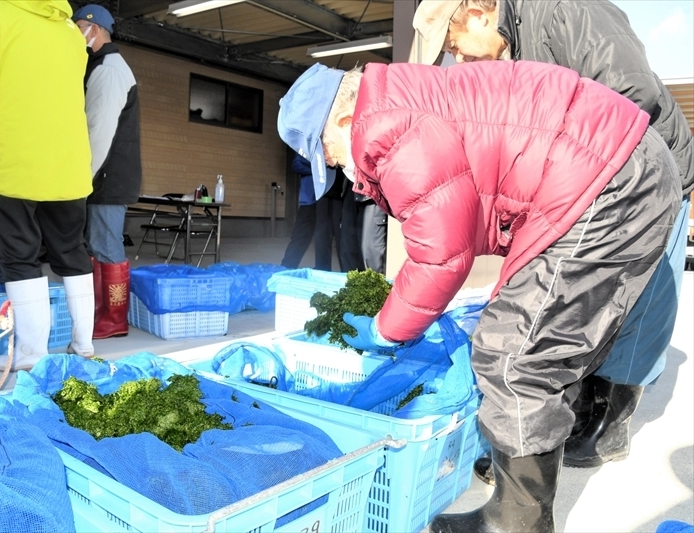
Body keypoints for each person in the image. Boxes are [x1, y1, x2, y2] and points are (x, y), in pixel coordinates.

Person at [277, 61, 680, 533]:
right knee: (537, 330)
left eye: (328, 153)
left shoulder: (388, 128)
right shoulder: (398, 100)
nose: (336, 167)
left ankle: (517, 522)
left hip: (606, 181)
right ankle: (521, 464)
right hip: (617, 164)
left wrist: (387, 330)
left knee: (513, 355)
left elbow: (442, 254)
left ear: (344, 121)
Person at [409, 0, 694, 477]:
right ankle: (566, 414)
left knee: (639, 299)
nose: (458, 60)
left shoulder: (566, 10)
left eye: (455, 46)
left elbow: (633, 90)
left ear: (479, 12)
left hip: (645, 174)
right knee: (575, 303)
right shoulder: (515, 42)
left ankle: (610, 420)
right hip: (584, 182)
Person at [0, 0, 95, 370]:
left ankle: (33, 354)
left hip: (16, 158)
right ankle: (83, 345)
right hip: (70, 163)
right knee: (71, 251)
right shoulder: (69, 30)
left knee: (18, 254)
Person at [71, 4, 142, 339]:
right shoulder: (98, 64)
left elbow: (98, 130)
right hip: (102, 174)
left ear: (93, 29)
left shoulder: (110, 68)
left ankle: (114, 318)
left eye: (77, 29)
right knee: (96, 245)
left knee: (106, 245)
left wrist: (82, 179)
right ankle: (100, 313)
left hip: (106, 175)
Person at [281, 154, 321, 269]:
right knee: (299, 236)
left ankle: (322, 270)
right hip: (308, 199)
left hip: (327, 199)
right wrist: (320, 169)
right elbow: (296, 165)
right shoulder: (308, 143)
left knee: (323, 239)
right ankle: (287, 268)